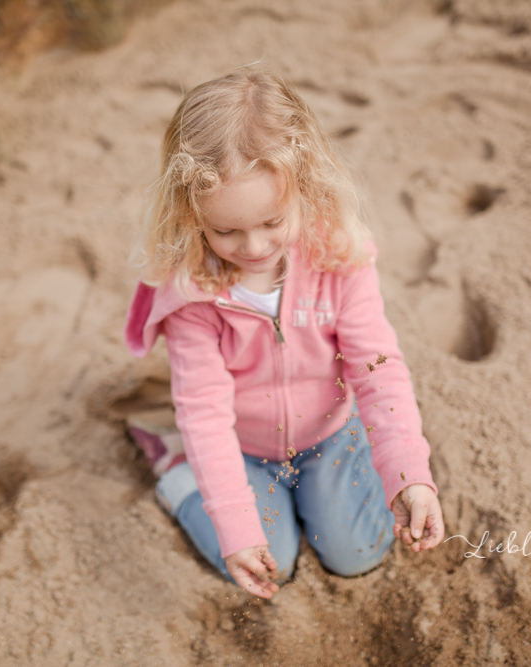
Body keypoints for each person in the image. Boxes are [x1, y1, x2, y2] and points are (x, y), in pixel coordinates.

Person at [124, 67, 444, 599]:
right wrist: (235, 528)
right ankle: (177, 473)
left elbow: (377, 368)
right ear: (191, 213)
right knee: (271, 560)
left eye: (273, 222)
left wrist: (409, 474)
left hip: (329, 433)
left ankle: (353, 477)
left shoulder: (338, 256)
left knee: (357, 553)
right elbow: (204, 414)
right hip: (244, 448)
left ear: (306, 187)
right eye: (226, 230)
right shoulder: (193, 293)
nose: (253, 247)